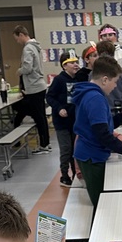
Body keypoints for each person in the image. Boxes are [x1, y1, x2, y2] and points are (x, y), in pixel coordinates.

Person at [71, 55, 122, 208]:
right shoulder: (95, 98)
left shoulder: (92, 94)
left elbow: (104, 126)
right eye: (115, 81)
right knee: (101, 204)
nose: (116, 86)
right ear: (105, 79)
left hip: (90, 153)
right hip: (92, 157)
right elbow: (103, 135)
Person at [11, 25, 51, 154]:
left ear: (21, 35)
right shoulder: (36, 47)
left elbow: (27, 68)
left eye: (17, 39)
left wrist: (19, 71)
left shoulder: (28, 48)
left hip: (34, 87)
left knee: (37, 116)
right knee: (40, 117)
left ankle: (44, 145)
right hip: (39, 85)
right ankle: (46, 143)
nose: (17, 42)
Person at [46, 50, 80, 187]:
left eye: (77, 62)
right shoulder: (59, 80)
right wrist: (59, 108)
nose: (75, 65)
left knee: (74, 149)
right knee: (66, 149)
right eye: (72, 63)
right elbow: (49, 97)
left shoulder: (78, 79)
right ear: (64, 66)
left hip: (75, 121)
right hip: (62, 122)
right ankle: (64, 175)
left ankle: (75, 174)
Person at [95, 39, 122, 125]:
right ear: (113, 54)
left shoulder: (93, 74)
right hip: (121, 113)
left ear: (98, 54)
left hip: (101, 115)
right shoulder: (121, 73)